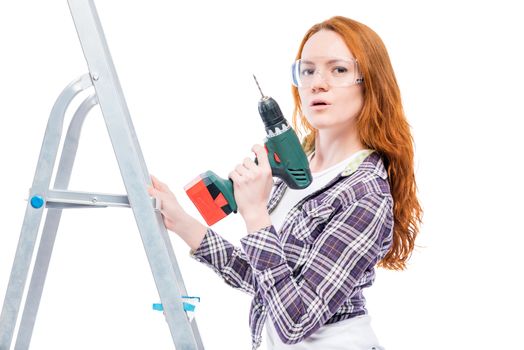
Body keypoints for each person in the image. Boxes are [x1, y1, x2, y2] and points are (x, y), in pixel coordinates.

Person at [148, 15, 423, 350]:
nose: (317, 83)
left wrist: (255, 215)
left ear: (370, 82)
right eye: (307, 70)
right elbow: (264, 280)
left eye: (338, 70)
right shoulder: (301, 164)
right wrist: (182, 223)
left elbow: (295, 320)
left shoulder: (365, 193)